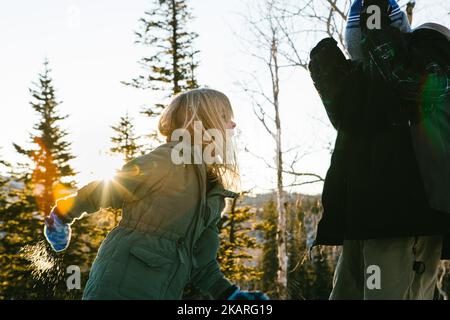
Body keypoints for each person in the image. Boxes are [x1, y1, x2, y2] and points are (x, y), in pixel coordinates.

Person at [44, 88, 268, 300]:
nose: (233, 123)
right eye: (224, 115)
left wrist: (228, 294)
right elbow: (111, 187)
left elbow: (201, 259)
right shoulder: (170, 159)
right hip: (119, 282)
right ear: (204, 122)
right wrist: (63, 214)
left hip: (163, 291)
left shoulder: (214, 192)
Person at [308, 0, 450, 299]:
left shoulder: (433, 56)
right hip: (366, 216)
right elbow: (348, 118)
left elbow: (411, 81)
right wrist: (329, 67)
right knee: (350, 293)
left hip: (407, 215)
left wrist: (374, 24)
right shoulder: (379, 87)